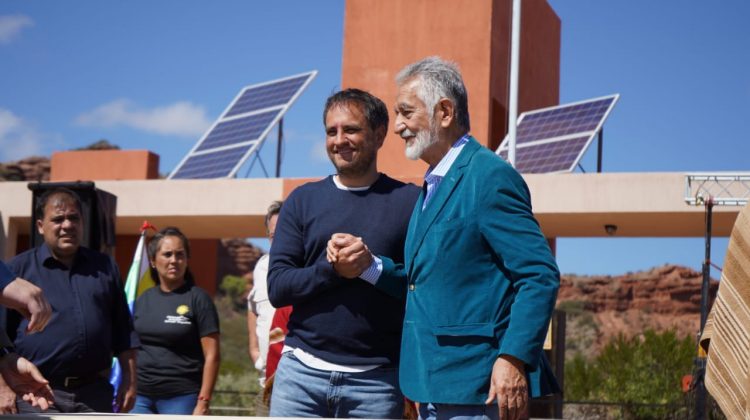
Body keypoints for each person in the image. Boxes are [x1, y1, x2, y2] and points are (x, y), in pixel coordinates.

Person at [329, 57, 561, 420]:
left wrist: (513, 357)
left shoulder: (488, 177)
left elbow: (539, 275)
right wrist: (369, 266)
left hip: (478, 388)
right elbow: (424, 282)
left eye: (406, 113)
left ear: (445, 111)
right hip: (434, 387)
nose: (399, 127)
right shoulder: (432, 186)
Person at [267, 88, 420, 418]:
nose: (339, 140)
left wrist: (371, 267)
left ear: (379, 135)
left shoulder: (411, 202)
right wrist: (333, 270)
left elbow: (423, 287)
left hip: (377, 385)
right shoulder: (301, 201)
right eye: (331, 131)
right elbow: (278, 288)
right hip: (299, 380)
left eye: (350, 129)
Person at [2, 187, 138, 413]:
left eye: (74, 218)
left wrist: (130, 381)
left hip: (95, 395)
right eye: (58, 219)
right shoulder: (15, 271)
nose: (67, 225)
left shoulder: (105, 267)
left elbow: (124, 332)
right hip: (34, 394)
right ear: (40, 226)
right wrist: (2, 386)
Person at [130, 227, 220, 415]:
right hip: (140, 398)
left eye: (180, 255)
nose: (174, 260)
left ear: (187, 260)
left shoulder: (198, 298)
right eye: (167, 254)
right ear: (153, 261)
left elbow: (213, 355)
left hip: (182, 398)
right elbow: (130, 349)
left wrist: (203, 401)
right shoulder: (142, 299)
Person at [247, 200, 283, 387]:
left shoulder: (309, 265)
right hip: (266, 377)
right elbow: (252, 307)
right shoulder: (261, 266)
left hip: (299, 379)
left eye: (284, 233)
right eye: (272, 236)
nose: (278, 241)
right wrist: (254, 351)